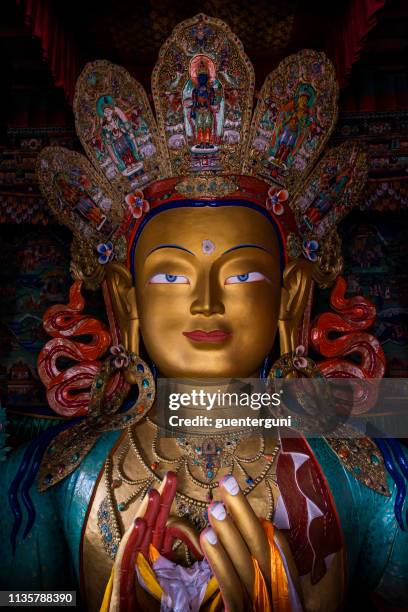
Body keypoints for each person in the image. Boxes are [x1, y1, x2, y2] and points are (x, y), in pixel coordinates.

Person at [2, 14, 408, 612]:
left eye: (243, 274)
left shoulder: (372, 477)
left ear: (291, 297)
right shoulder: (53, 477)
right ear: (126, 299)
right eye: (170, 274)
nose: (207, 301)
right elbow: (21, 600)